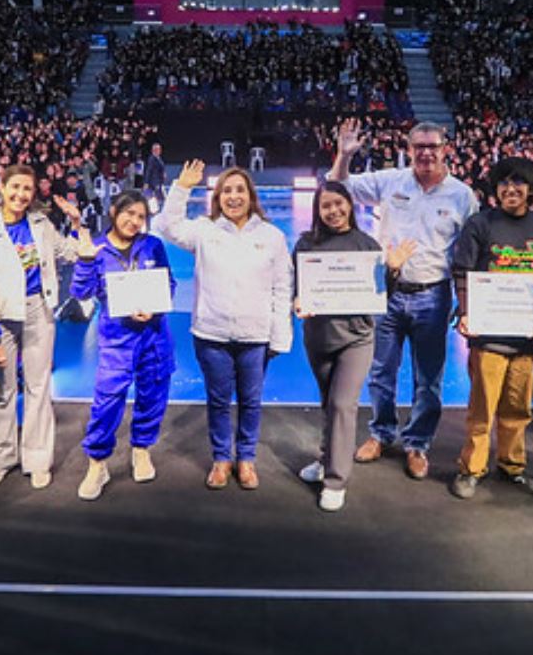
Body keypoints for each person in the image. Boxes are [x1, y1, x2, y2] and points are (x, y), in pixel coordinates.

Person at [329, 118, 477, 480]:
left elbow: (473, 251)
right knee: (381, 370)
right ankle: (380, 433)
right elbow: (337, 187)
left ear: (446, 150)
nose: (426, 153)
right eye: (419, 146)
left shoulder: (462, 195)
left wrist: (468, 302)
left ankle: (417, 443)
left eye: (433, 146)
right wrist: (344, 155)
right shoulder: (390, 180)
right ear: (408, 150)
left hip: (434, 296)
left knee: (429, 378)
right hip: (388, 292)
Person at [158, 159, 292, 489]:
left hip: (255, 335)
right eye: (226, 191)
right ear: (217, 197)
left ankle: (246, 458)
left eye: (239, 190)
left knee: (251, 400)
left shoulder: (272, 236)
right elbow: (166, 226)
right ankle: (221, 458)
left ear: (251, 195)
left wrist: (279, 336)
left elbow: (282, 286)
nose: (233, 196)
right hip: (211, 334)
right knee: (218, 400)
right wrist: (181, 188)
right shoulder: (204, 231)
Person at [293, 182, 412, 512]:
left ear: (349, 204)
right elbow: (297, 285)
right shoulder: (306, 243)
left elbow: (380, 293)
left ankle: (335, 479)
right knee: (328, 404)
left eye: (338, 204)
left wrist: (393, 269)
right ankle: (326, 458)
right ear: (318, 210)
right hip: (319, 337)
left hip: (357, 338)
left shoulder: (366, 244)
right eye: (326, 206)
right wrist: (297, 299)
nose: (333, 211)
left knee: (343, 405)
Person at [449, 158, 533, 502]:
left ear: (531, 188)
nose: (511, 190)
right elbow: (463, 271)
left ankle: (512, 466)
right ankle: (471, 469)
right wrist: (466, 313)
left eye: (518, 183)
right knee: (481, 409)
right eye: (504, 184)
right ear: (495, 189)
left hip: (526, 338)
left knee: (518, 408)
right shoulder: (479, 224)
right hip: (489, 335)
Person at [0, 164, 77, 491]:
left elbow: (69, 254)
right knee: (2, 390)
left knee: (38, 387)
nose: (20, 195)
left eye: (27, 189)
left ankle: (37, 460)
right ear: (1, 188)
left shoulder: (41, 224)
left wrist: (75, 222)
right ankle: (2, 458)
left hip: (37, 309)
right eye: (14, 187)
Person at [70, 189, 176, 501]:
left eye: (141, 217)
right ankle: (97, 463)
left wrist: (154, 307)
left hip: (154, 336)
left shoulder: (153, 245)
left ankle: (141, 449)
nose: (134, 221)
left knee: (153, 396)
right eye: (129, 214)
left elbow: (168, 283)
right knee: (106, 403)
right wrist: (86, 259)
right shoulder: (97, 248)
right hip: (117, 340)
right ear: (114, 211)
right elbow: (81, 292)